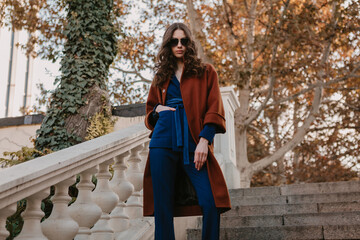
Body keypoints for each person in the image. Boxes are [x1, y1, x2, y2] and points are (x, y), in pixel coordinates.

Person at [143, 22, 231, 240]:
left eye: (183, 41)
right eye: (174, 41)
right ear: (168, 45)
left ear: (189, 43)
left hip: (193, 141)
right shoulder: (161, 77)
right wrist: (157, 110)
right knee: (163, 208)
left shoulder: (206, 72)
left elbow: (215, 108)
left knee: (210, 202)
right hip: (162, 142)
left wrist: (204, 140)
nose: (179, 45)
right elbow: (149, 113)